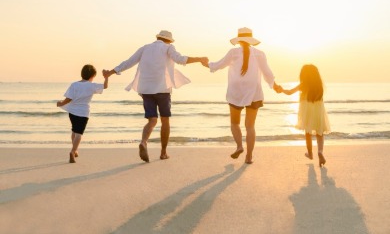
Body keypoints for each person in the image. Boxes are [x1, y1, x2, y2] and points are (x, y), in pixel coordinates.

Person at [103, 30, 208, 163]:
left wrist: (111, 72)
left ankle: (143, 142)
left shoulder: (145, 48)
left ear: (157, 38)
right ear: (169, 40)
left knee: (152, 120)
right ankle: (163, 153)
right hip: (162, 89)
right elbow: (180, 59)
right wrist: (199, 59)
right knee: (165, 121)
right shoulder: (169, 48)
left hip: (146, 89)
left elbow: (128, 62)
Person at [204, 27, 281, 164]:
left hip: (236, 92)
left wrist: (207, 64)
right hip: (254, 92)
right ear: (251, 40)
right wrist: (274, 86)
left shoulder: (233, 52)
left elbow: (218, 65)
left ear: (239, 40)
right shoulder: (259, 54)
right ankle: (249, 156)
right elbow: (267, 73)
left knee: (234, 123)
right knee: (250, 126)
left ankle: (239, 146)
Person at [278, 64, 330, 167]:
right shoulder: (319, 86)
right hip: (318, 112)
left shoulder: (303, 84)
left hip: (306, 112)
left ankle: (310, 153)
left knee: (308, 132)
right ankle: (320, 151)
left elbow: (289, 92)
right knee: (320, 132)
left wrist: (282, 90)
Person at [57, 64, 109, 163]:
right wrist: (106, 77)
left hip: (72, 112)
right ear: (92, 76)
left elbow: (69, 98)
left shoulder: (74, 84)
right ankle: (73, 151)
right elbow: (105, 86)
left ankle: (75, 150)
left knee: (74, 131)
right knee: (79, 134)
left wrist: (61, 103)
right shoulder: (92, 85)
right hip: (83, 112)